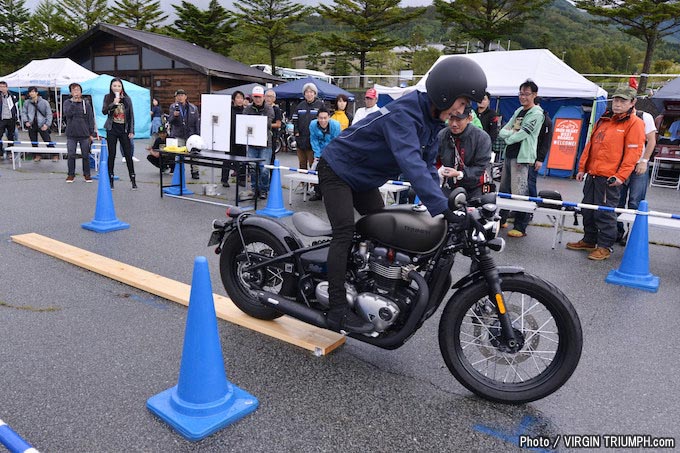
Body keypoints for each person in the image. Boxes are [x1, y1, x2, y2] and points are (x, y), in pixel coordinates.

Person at [317, 56, 487, 333]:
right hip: (337, 168)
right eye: (462, 102)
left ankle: (366, 278)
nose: (461, 110)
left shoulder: (431, 120)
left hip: (362, 176)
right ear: (445, 92)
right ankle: (336, 307)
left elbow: (429, 167)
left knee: (381, 225)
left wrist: (445, 203)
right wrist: (441, 208)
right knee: (345, 231)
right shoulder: (405, 115)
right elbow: (410, 163)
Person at [566, 87, 645, 261]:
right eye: (616, 100)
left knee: (605, 213)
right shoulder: (604, 119)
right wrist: (582, 168)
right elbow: (591, 145)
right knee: (587, 209)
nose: (617, 104)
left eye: (623, 101)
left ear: (633, 103)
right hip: (593, 174)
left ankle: (605, 246)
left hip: (610, 177)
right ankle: (589, 240)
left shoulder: (635, 123)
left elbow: (633, 153)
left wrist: (621, 176)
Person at [497, 80, 544, 238]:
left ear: (534, 95)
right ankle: (501, 219)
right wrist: (510, 135)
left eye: (526, 94)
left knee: (520, 193)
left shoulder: (537, 113)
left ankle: (521, 226)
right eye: (521, 93)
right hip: (509, 155)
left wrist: (509, 137)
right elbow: (503, 129)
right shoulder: (519, 110)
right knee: (504, 190)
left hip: (522, 157)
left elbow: (523, 134)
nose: (523, 97)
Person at [616, 105, 657, 244]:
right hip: (620, 165)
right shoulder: (615, 117)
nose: (619, 104)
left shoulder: (645, 116)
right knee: (617, 200)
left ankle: (632, 234)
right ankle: (616, 231)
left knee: (635, 201)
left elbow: (651, 140)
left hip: (638, 165)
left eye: (623, 100)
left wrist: (644, 161)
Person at [437, 104, 492, 200]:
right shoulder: (442, 135)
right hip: (449, 186)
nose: (454, 124)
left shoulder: (482, 137)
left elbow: (481, 167)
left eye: (458, 120)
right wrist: (439, 170)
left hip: (475, 187)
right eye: (451, 119)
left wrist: (459, 174)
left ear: (469, 118)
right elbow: (434, 160)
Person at [102, 78, 136, 189]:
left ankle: (133, 179)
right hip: (112, 129)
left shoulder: (127, 99)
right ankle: (110, 179)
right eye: (114, 85)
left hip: (124, 129)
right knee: (111, 154)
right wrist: (113, 103)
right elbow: (104, 111)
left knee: (128, 154)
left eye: (118, 86)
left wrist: (131, 130)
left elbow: (131, 115)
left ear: (122, 87)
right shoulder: (108, 97)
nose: (116, 87)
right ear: (111, 87)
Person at [243, 86, 274, 200]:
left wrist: (256, 122)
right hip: (252, 143)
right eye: (255, 97)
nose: (257, 99)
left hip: (265, 143)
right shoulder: (248, 108)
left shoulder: (269, 108)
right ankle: (254, 188)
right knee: (252, 167)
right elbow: (244, 122)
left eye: (259, 97)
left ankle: (264, 189)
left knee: (264, 169)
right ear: (252, 97)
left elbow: (268, 123)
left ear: (263, 97)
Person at [63, 82, 97, 183]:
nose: (76, 92)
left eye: (78, 90)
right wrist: (74, 102)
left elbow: (90, 119)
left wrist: (92, 133)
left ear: (81, 92)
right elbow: (67, 114)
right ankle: (71, 174)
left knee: (85, 154)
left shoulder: (86, 104)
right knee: (71, 154)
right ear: (71, 92)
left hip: (84, 133)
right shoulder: (67, 103)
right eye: (74, 90)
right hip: (71, 133)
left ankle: (87, 174)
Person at [308, 107, 341, 201]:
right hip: (319, 150)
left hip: (333, 150)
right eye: (320, 118)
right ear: (317, 118)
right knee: (317, 170)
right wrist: (317, 154)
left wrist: (329, 155)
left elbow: (336, 141)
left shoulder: (336, 125)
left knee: (332, 172)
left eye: (325, 118)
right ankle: (317, 192)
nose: (323, 120)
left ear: (329, 117)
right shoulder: (313, 124)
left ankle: (332, 194)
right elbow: (313, 139)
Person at [168, 89, 200, 179]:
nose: (180, 97)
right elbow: (170, 121)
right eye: (178, 96)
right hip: (179, 134)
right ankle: (179, 171)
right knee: (179, 154)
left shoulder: (193, 108)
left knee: (194, 154)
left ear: (186, 97)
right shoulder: (173, 107)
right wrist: (174, 115)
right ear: (176, 97)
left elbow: (197, 122)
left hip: (191, 135)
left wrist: (197, 135)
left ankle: (195, 171)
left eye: (182, 95)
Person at [293, 82, 324, 170]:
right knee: (302, 164)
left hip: (314, 141)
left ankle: (312, 183)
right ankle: (303, 183)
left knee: (313, 164)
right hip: (301, 140)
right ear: (304, 94)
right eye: (307, 92)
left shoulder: (320, 105)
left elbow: (324, 120)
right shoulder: (300, 106)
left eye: (311, 92)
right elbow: (295, 119)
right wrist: (296, 132)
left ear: (315, 93)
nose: (309, 94)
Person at [21, 86, 56, 162]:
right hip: (31, 124)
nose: (31, 93)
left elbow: (49, 114)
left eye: (33, 92)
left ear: (37, 93)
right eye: (30, 92)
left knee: (47, 140)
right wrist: (26, 121)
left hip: (42, 123)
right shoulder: (27, 102)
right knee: (33, 141)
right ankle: (37, 155)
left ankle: (54, 154)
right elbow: (24, 112)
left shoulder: (44, 102)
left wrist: (47, 124)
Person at [528, 96, 552, 198]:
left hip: (535, 156)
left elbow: (546, 142)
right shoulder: (526, 116)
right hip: (523, 154)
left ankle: (532, 205)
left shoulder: (545, 120)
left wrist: (540, 159)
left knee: (530, 182)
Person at [221, 90, 246, 188]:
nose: (240, 100)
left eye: (241, 98)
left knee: (243, 160)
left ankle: (241, 179)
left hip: (242, 139)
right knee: (227, 159)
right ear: (233, 99)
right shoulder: (228, 110)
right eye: (238, 98)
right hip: (230, 138)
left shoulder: (246, 111)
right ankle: (224, 179)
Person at [0, 81, 19, 160]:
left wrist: (17, 120)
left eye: (4, 86)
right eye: (0, 86)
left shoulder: (12, 96)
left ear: (7, 87)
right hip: (2, 119)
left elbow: (16, 108)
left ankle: (10, 152)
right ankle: (0, 152)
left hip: (11, 119)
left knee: (11, 136)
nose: (2, 88)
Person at [265, 89, 282, 163]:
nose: (269, 98)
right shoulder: (263, 108)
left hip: (272, 135)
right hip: (261, 136)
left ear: (274, 99)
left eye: (271, 97)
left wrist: (266, 125)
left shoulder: (276, 109)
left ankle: (272, 174)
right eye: (267, 96)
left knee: (271, 156)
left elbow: (278, 124)